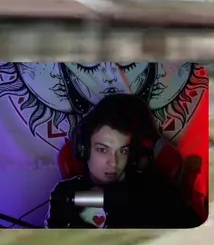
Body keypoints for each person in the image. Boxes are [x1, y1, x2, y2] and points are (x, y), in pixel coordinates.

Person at [45, 94, 202, 230]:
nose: (114, 163)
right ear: (83, 149)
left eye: (123, 151)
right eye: (102, 149)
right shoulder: (65, 193)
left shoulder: (156, 190)